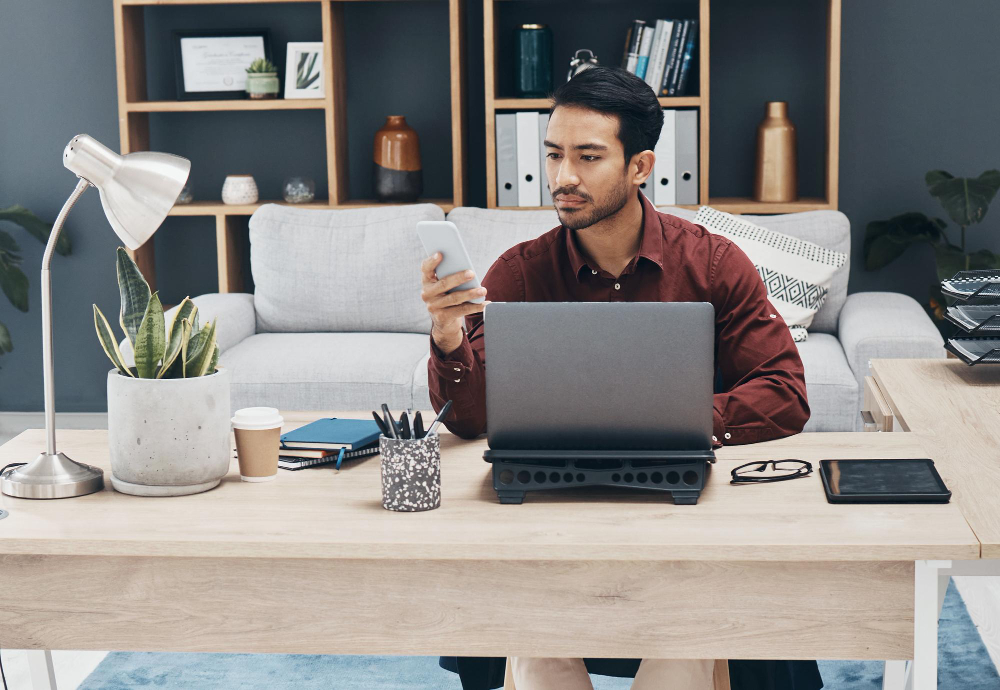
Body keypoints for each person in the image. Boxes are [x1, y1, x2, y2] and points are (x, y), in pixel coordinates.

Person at [422, 66, 822, 690]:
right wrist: (447, 333)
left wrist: (680, 421)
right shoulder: (518, 274)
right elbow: (470, 420)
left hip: (677, 502)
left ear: (640, 166)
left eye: (587, 157)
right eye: (554, 155)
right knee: (533, 642)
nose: (563, 177)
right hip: (543, 507)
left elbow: (785, 393)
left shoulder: (714, 263)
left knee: (685, 645)